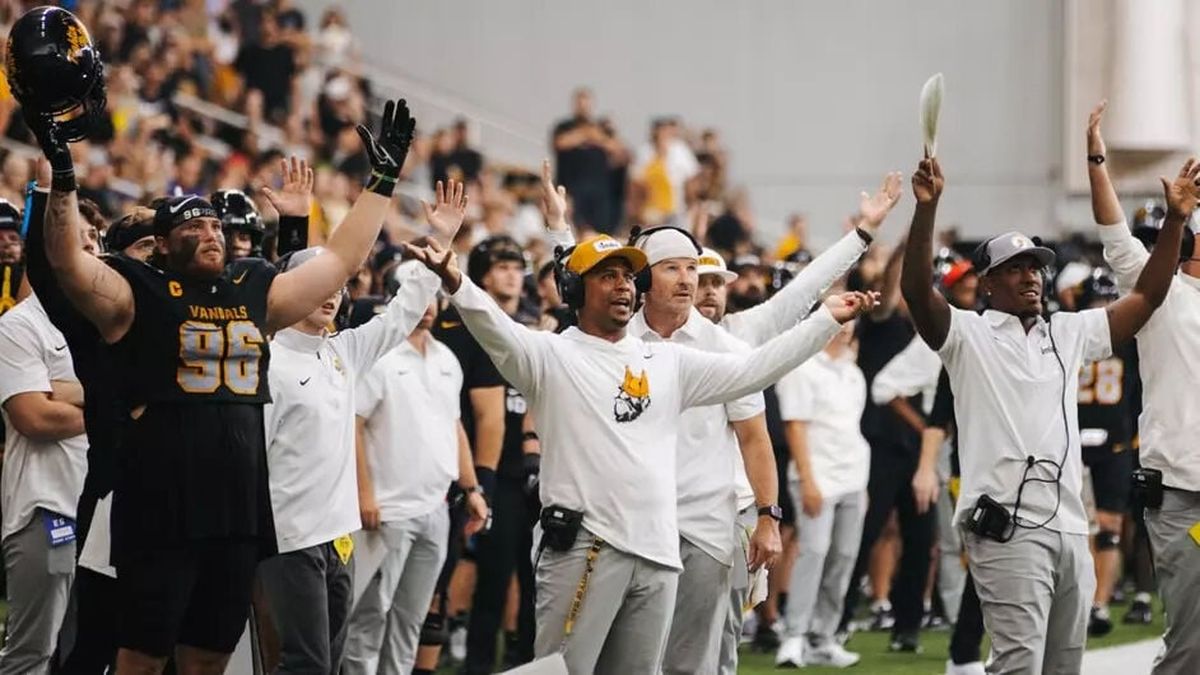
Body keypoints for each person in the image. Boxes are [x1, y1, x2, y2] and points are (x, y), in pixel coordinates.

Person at [36, 88, 418, 673]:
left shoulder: (250, 289)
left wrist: (382, 182)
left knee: (210, 658)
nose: (212, 232)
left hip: (238, 510)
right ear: (163, 245)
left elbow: (340, 262)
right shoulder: (138, 290)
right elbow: (67, 262)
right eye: (195, 226)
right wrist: (63, 177)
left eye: (216, 224)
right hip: (160, 503)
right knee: (141, 657)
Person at [401, 220, 876, 673]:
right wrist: (454, 278)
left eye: (628, 276)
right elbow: (492, 325)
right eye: (607, 276)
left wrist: (824, 322)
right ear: (574, 290)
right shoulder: (548, 355)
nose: (622, 286)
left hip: (658, 554)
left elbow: (752, 371)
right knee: (559, 670)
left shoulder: (667, 361)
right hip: (585, 547)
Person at [900, 140, 1192, 672]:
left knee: (1064, 666)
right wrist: (927, 209)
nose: (1030, 276)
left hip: (1071, 527)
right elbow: (918, 293)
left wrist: (1174, 222)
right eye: (1014, 268)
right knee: (1019, 664)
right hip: (1006, 527)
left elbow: (1148, 297)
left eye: (1035, 267)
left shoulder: (1068, 331)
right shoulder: (967, 335)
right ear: (987, 283)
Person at [259, 182, 465, 674]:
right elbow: (252, 460)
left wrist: (438, 242)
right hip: (290, 538)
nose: (331, 295)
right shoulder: (268, 360)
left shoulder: (343, 351)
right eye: (319, 284)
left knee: (329, 662)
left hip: (340, 535)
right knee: (305, 663)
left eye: (337, 286)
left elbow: (402, 314)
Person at [625, 227, 782, 675]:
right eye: (671, 268)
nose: (686, 279)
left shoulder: (727, 349)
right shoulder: (617, 341)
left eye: (691, 268)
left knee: (693, 663)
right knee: (627, 660)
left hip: (704, 527)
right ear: (643, 278)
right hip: (628, 523)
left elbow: (754, 437)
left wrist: (768, 517)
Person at [1087, 101, 1200, 673]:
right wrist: (1096, 161)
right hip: (1182, 490)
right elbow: (1113, 234)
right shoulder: (1162, 293)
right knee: (1192, 641)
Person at [345, 290, 489, 675]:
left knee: (411, 618)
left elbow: (454, 426)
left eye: (433, 297)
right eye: (418, 295)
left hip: (436, 508)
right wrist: (364, 494)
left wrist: (472, 489)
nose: (427, 307)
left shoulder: (447, 359)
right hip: (387, 510)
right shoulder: (380, 357)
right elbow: (353, 426)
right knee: (370, 615)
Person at [0, 212, 92, 674]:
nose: (90, 248)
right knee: (32, 653)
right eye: (79, 239)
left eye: (94, 239)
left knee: (91, 652)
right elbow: (35, 416)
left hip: (103, 513)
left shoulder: (105, 321)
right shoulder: (21, 325)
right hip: (46, 507)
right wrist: (111, 407)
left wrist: (71, 395)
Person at [773, 318, 869, 668]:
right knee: (813, 552)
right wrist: (808, 480)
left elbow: (851, 429)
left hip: (854, 477)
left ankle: (823, 638)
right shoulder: (803, 368)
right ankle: (794, 636)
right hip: (815, 476)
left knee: (844, 556)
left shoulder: (853, 373)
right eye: (840, 322)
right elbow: (795, 428)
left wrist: (863, 486)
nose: (845, 329)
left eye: (850, 324)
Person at [1072, 269, 1139, 638]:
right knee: (1080, 529)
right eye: (1097, 300)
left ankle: (1099, 604)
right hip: (1074, 446)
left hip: (1114, 444)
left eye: (1109, 299)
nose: (1104, 307)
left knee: (1109, 526)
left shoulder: (1130, 341)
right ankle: (1081, 601)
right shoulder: (1071, 334)